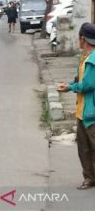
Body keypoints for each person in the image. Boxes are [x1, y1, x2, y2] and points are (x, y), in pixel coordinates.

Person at [57, 23, 95, 190]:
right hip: (83, 111)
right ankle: (89, 178)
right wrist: (71, 84)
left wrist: (70, 88)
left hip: (91, 112)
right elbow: (79, 79)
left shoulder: (93, 60)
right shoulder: (84, 57)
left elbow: (87, 84)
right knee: (83, 148)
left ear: (82, 39)